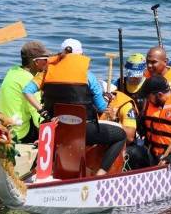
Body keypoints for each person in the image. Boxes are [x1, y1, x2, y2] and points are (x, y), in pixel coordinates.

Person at [23, 38, 125, 175]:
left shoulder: (46, 73)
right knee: (120, 135)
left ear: (60, 55)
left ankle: (35, 173)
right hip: (83, 130)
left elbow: (27, 91)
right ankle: (100, 174)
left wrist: (43, 112)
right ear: (81, 56)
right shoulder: (88, 76)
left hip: (55, 128)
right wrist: (106, 98)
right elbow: (101, 107)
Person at [0, 41, 50, 144]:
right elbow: (37, 113)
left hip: (4, 129)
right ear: (36, 62)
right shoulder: (29, 81)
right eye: (45, 59)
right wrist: (45, 137)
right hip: (20, 134)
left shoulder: (13, 71)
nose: (47, 62)